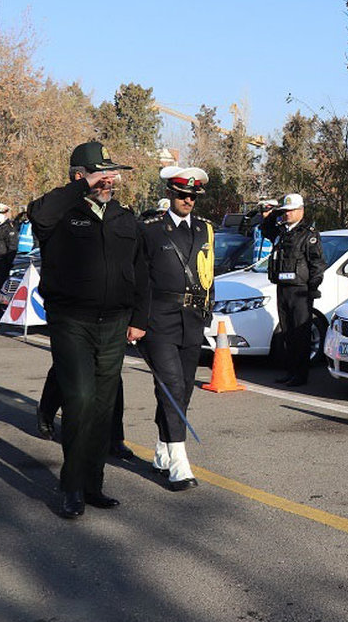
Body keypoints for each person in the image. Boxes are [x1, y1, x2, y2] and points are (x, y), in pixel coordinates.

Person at [28, 140, 147, 519]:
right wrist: (83, 186)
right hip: (72, 321)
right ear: (80, 176)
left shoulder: (124, 217)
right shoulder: (61, 213)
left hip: (113, 323)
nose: (110, 179)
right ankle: (72, 486)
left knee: (101, 406)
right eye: (102, 173)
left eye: (111, 174)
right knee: (78, 400)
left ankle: (93, 484)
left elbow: (141, 270)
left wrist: (139, 319)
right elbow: (41, 216)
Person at [138, 166, 214, 490]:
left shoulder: (206, 228)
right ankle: (179, 462)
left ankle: (161, 449)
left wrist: (209, 312)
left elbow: (209, 272)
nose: (188, 200)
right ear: (170, 193)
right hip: (160, 318)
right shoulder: (152, 228)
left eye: (193, 196)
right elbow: (139, 277)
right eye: (183, 195)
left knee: (181, 388)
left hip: (192, 319)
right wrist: (136, 322)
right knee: (170, 385)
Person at [260, 194, 324, 387]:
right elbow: (265, 230)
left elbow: (317, 264)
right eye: (284, 211)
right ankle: (290, 371)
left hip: (300, 290)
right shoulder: (281, 232)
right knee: (287, 332)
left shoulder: (308, 234)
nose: (286, 214)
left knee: (300, 333)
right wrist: (272, 213)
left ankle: (301, 375)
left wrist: (313, 288)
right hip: (283, 288)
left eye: (290, 211)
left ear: (301, 211)